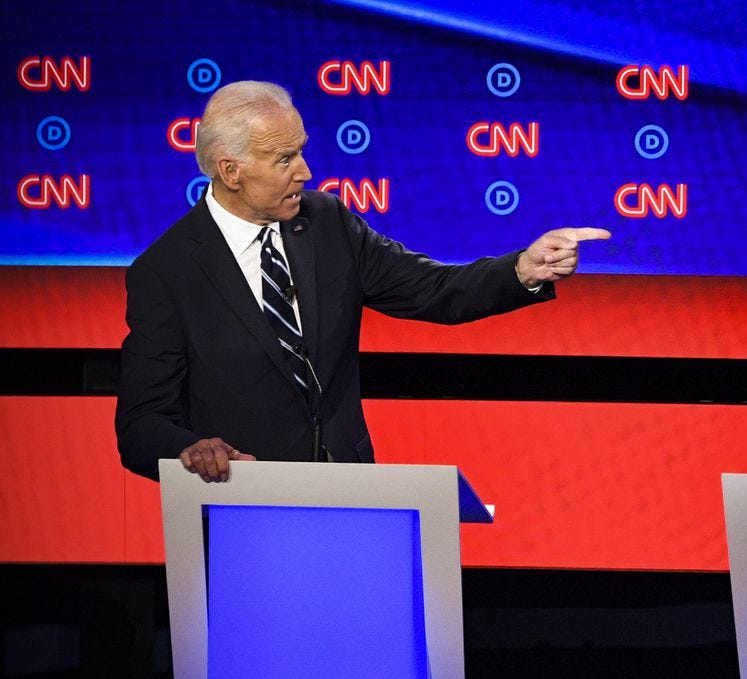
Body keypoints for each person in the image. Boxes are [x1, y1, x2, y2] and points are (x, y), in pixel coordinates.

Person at [116, 80, 610, 483]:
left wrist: (522, 269)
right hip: (243, 504)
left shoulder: (325, 223)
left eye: (301, 152)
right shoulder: (167, 272)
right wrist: (190, 449)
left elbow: (431, 288)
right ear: (231, 171)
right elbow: (141, 425)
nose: (305, 172)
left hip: (347, 489)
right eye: (284, 159)